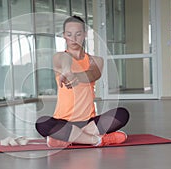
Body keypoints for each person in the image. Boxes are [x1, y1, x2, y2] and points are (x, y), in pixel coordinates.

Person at [35, 15, 130, 147]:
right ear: (63, 35)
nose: (73, 39)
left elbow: (92, 74)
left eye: (78, 34)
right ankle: (97, 140)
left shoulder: (96, 60)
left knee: (122, 114)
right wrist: (67, 71)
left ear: (85, 34)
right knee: (42, 123)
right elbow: (65, 58)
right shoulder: (59, 57)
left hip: (88, 122)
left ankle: (68, 139)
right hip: (63, 122)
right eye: (69, 34)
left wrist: (75, 76)